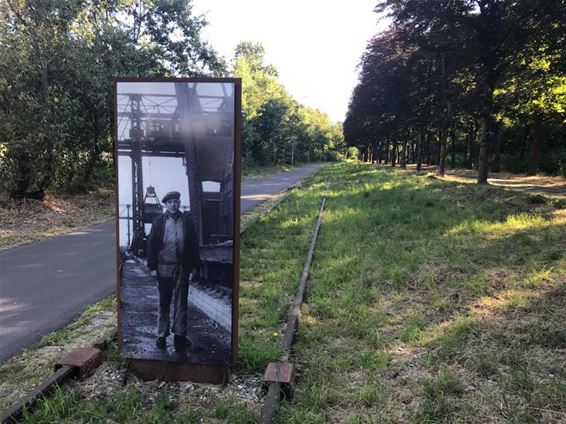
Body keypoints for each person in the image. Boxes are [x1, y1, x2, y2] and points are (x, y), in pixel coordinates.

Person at [146, 191, 200, 349]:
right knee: (164, 303)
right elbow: (152, 245)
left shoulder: (187, 222)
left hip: (182, 268)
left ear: (179, 202)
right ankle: (161, 336)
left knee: (181, 303)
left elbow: (193, 245)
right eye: (170, 202)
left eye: (176, 201)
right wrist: (152, 267)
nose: (173, 204)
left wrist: (195, 267)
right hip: (164, 268)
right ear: (166, 204)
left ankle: (179, 336)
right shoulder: (158, 222)